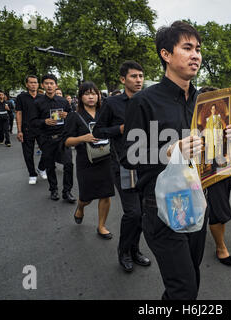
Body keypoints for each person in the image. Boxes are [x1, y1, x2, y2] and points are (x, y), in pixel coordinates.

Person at [121, 21, 231, 300]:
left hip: (199, 199)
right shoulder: (145, 101)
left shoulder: (205, 101)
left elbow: (211, 152)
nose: (196, 55)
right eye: (187, 48)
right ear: (166, 54)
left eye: (198, 49)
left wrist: (229, 136)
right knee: (183, 289)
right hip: (162, 204)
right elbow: (129, 155)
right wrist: (171, 150)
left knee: (192, 277)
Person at [93, 61, 151, 272]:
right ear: (123, 79)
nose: (138, 80)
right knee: (133, 212)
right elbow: (98, 131)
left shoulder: (147, 101)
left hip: (147, 163)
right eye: (134, 76)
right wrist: (121, 128)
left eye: (141, 76)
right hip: (123, 164)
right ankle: (124, 251)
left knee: (144, 212)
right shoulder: (112, 104)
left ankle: (135, 250)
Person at [199, 87, 231, 267]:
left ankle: (220, 245)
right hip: (195, 170)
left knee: (219, 210)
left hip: (221, 170)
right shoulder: (193, 121)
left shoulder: (226, 121)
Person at [63, 81, 114, 239]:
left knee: (105, 194)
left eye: (94, 93)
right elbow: (66, 141)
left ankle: (101, 226)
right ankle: (80, 206)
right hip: (86, 162)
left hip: (106, 158)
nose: (91, 97)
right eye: (87, 93)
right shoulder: (74, 115)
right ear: (80, 97)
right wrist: (82, 138)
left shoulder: (105, 112)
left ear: (99, 96)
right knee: (87, 196)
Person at [29, 74, 75, 203]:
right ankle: (53, 189)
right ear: (43, 85)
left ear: (56, 85)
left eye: (52, 83)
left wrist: (67, 115)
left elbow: (72, 118)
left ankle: (67, 191)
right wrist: (45, 121)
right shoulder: (37, 103)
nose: (49, 86)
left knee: (69, 164)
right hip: (47, 139)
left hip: (63, 138)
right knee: (50, 166)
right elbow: (32, 122)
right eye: (46, 83)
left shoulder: (63, 101)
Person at [16, 75, 47, 185]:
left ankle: (41, 168)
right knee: (28, 154)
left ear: (38, 84)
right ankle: (32, 174)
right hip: (27, 129)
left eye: (35, 82)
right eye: (31, 82)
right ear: (27, 84)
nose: (33, 84)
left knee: (47, 150)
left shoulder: (42, 97)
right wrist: (19, 131)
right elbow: (19, 113)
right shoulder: (21, 97)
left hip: (41, 128)